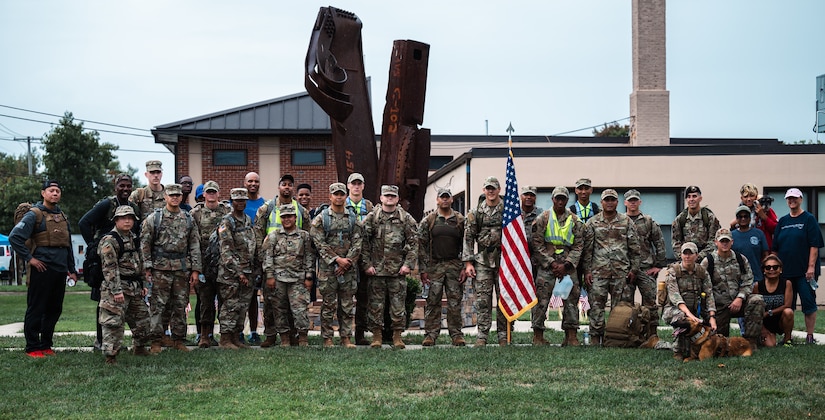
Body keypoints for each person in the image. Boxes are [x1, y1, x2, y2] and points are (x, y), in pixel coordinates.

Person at [9, 180, 78, 358]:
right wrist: (30, 259)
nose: (55, 193)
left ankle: (46, 344)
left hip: (60, 270)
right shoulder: (35, 214)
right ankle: (32, 347)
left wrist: (72, 270)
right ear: (43, 193)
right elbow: (15, 237)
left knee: (54, 309)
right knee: (36, 308)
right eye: (51, 190)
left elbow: (68, 245)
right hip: (42, 270)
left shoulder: (62, 217)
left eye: (57, 191)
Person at [78, 173, 140, 351]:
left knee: (123, 305)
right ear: (115, 187)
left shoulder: (133, 207)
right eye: (122, 185)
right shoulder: (107, 204)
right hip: (104, 258)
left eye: (128, 186)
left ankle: (117, 342)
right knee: (103, 302)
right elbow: (84, 222)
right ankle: (101, 341)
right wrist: (94, 245)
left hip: (126, 260)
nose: (126, 189)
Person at [140, 183, 202, 354]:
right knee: (158, 306)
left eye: (177, 195)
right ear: (165, 197)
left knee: (180, 305)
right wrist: (147, 267)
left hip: (182, 269)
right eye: (171, 195)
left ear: (181, 197)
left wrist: (196, 269)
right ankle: (156, 341)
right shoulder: (155, 218)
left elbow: (194, 245)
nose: (174, 198)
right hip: (160, 269)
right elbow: (145, 243)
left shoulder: (188, 218)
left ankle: (178, 339)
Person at [254, 174, 310, 346]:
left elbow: (309, 244)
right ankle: (272, 336)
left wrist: (308, 275)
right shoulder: (267, 208)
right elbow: (257, 232)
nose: (286, 187)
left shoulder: (301, 211)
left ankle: (296, 336)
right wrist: (264, 263)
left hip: (296, 271)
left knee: (297, 307)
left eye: (289, 185)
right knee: (273, 306)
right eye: (283, 184)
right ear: (278, 187)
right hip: (273, 269)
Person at [361, 185, 418, 349]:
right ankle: (377, 336)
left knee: (398, 306)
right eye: (387, 196)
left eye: (393, 196)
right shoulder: (372, 218)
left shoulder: (405, 218)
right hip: (376, 271)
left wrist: (408, 265)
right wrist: (367, 264)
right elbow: (363, 242)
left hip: (397, 271)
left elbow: (414, 243)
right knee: (375, 306)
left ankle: (397, 336)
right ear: (381, 198)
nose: (389, 198)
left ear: (397, 198)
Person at [582, 189, 641, 345]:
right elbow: (587, 249)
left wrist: (634, 269)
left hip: (621, 273)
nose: (609, 202)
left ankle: (616, 339)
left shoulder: (627, 221)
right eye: (606, 200)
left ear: (617, 202)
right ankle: (595, 337)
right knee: (596, 306)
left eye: (612, 200)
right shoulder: (592, 222)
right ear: (601, 202)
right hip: (598, 272)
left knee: (620, 309)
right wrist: (587, 270)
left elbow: (635, 248)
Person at [309, 182, 362, 348]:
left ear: (345, 196)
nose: (339, 197)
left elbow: (358, 242)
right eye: (335, 194)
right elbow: (319, 243)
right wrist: (337, 260)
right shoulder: (321, 218)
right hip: (328, 270)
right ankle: (327, 338)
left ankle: (346, 337)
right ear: (330, 196)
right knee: (328, 305)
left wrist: (347, 262)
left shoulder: (353, 218)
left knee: (346, 305)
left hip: (348, 269)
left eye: (341, 194)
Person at [462, 176, 513, 347]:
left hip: (504, 261)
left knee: (503, 299)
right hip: (483, 261)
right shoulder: (475, 212)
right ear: (484, 190)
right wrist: (468, 263)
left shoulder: (508, 209)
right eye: (488, 188)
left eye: (494, 188)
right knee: (483, 300)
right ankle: (482, 335)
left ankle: (503, 335)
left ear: (499, 190)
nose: (491, 191)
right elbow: (468, 238)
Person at [530, 186, 585, 346]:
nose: (560, 201)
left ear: (567, 200)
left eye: (563, 198)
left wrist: (567, 264)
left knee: (572, 299)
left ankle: (571, 336)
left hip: (568, 265)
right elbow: (536, 243)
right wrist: (551, 263)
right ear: (552, 199)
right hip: (547, 265)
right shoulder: (543, 218)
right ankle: (538, 336)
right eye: (557, 198)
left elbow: (579, 245)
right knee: (541, 300)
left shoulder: (575, 220)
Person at [97, 206, 151, 364]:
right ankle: (111, 357)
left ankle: (139, 348)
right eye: (123, 217)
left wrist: (143, 284)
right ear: (116, 220)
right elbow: (109, 268)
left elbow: (139, 262)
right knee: (114, 323)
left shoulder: (134, 238)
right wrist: (116, 290)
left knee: (143, 321)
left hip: (134, 287)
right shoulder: (109, 241)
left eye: (130, 217)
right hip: (116, 289)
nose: (127, 220)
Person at [772, 188, 824, 344]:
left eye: (795, 198)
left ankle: (809, 336)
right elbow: (775, 248)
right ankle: (788, 337)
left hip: (804, 272)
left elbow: (814, 245)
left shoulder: (809, 219)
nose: (791, 201)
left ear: (801, 199)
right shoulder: (783, 221)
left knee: (808, 303)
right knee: (788, 306)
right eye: (789, 198)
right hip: (786, 272)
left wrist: (810, 267)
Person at [418, 188, 467, 347]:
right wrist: (423, 269)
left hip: (454, 265)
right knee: (433, 301)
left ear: (452, 199)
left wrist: (464, 266)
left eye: (447, 197)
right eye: (442, 197)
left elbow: (466, 245)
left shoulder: (460, 220)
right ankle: (430, 335)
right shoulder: (429, 220)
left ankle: (456, 335)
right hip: (434, 266)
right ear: (437, 200)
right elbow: (422, 246)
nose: (445, 200)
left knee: (455, 302)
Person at [701, 228, 764, 348]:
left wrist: (740, 298)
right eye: (722, 241)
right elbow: (703, 287)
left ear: (732, 242)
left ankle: (750, 341)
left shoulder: (741, 259)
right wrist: (711, 312)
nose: (724, 243)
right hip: (718, 306)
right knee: (719, 343)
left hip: (738, 302)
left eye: (727, 241)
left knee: (757, 300)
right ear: (716, 242)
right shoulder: (708, 261)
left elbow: (748, 280)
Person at [262, 204, 314, 347]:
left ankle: (302, 338)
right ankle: (285, 339)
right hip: (278, 279)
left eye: (289, 216)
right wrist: (270, 276)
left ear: (295, 218)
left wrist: (309, 276)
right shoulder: (273, 236)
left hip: (298, 279)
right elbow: (268, 257)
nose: (287, 219)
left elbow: (309, 256)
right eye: (284, 217)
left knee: (300, 309)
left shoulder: (304, 236)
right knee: (279, 309)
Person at [189, 180, 231, 348]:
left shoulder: (227, 211)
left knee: (225, 301)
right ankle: (205, 336)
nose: (212, 195)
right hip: (204, 265)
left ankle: (225, 336)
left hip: (223, 264)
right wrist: (195, 267)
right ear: (204, 194)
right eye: (209, 192)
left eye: (214, 192)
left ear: (218, 194)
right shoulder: (195, 213)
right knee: (205, 301)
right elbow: (192, 241)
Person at [620, 189, 666, 339]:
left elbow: (659, 242)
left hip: (646, 268)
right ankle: (628, 334)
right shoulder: (620, 221)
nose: (633, 203)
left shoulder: (648, 221)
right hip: (626, 268)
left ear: (640, 202)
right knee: (626, 303)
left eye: (635, 200)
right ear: (625, 202)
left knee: (650, 302)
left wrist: (659, 265)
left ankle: (652, 333)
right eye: (630, 200)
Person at [661, 242, 718, 360]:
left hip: (696, 309)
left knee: (715, 323)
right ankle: (678, 351)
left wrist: (712, 316)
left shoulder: (702, 272)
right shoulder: (673, 272)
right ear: (680, 255)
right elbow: (675, 297)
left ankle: (709, 347)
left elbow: (709, 295)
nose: (687, 257)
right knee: (681, 317)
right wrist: (690, 315)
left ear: (696, 255)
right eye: (685, 254)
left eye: (690, 254)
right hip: (674, 310)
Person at [216, 188, 257, 349]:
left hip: (248, 271)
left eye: (243, 200)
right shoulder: (227, 221)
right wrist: (238, 272)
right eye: (237, 200)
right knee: (230, 305)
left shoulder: (247, 219)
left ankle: (236, 337)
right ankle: (225, 339)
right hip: (231, 273)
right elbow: (226, 250)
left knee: (242, 305)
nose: (240, 203)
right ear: (231, 201)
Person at [346, 172, 375, 345]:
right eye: (353, 183)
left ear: (363, 186)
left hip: (364, 259)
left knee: (363, 299)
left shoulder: (370, 207)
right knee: (346, 299)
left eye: (359, 184)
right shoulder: (342, 204)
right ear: (348, 186)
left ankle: (360, 334)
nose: (356, 187)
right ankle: (345, 335)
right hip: (348, 259)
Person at [671, 185, 721, 262]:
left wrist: (698, 257)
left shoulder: (709, 217)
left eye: (694, 196)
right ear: (686, 199)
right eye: (689, 197)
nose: (691, 199)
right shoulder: (680, 219)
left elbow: (714, 241)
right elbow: (676, 242)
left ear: (700, 198)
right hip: (686, 260)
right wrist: (684, 257)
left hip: (705, 260)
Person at [754, 255, 794, 347]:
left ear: (780, 269)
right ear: (764, 270)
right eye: (768, 267)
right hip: (764, 322)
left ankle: (787, 340)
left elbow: (787, 305)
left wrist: (769, 313)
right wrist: (762, 329)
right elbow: (755, 310)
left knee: (789, 312)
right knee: (770, 345)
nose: (772, 270)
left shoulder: (786, 284)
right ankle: (764, 336)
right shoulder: (757, 286)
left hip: (780, 319)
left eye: (775, 267)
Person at [729, 183, 777, 249]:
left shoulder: (765, 210)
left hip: (763, 248)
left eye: (751, 196)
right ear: (741, 198)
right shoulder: (740, 212)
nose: (749, 199)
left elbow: (776, 229)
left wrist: (763, 216)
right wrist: (732, 225)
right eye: (745, 197)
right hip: (744, 247)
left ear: (756, 196)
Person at [731, 205, 769, 282]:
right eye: (740, 217)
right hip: (736, 279)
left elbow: (766, 255)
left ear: (750, 218)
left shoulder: (759, 233)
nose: (743, 219)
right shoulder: (731, 235)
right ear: (736, 219)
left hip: (756, 278)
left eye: (746, 216)